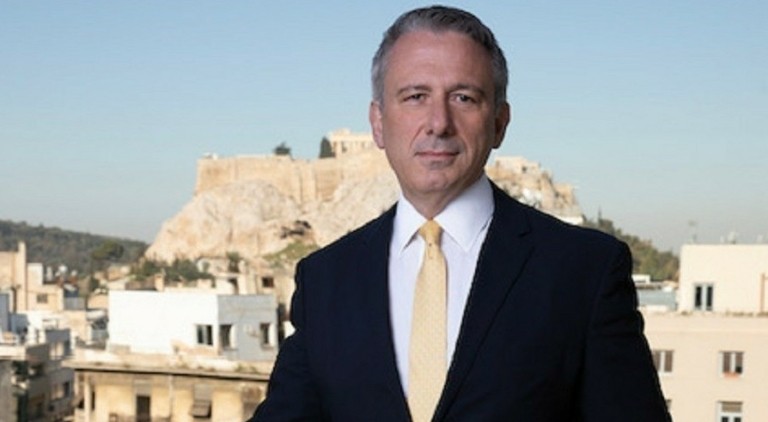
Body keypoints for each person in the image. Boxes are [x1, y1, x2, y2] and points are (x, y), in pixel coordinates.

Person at [250, 5, 670, 421]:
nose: (439, 122)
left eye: (463, 98)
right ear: (378, 123)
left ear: (499, 122)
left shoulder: (584, 271)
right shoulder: (325, 279)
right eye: (416, 97)